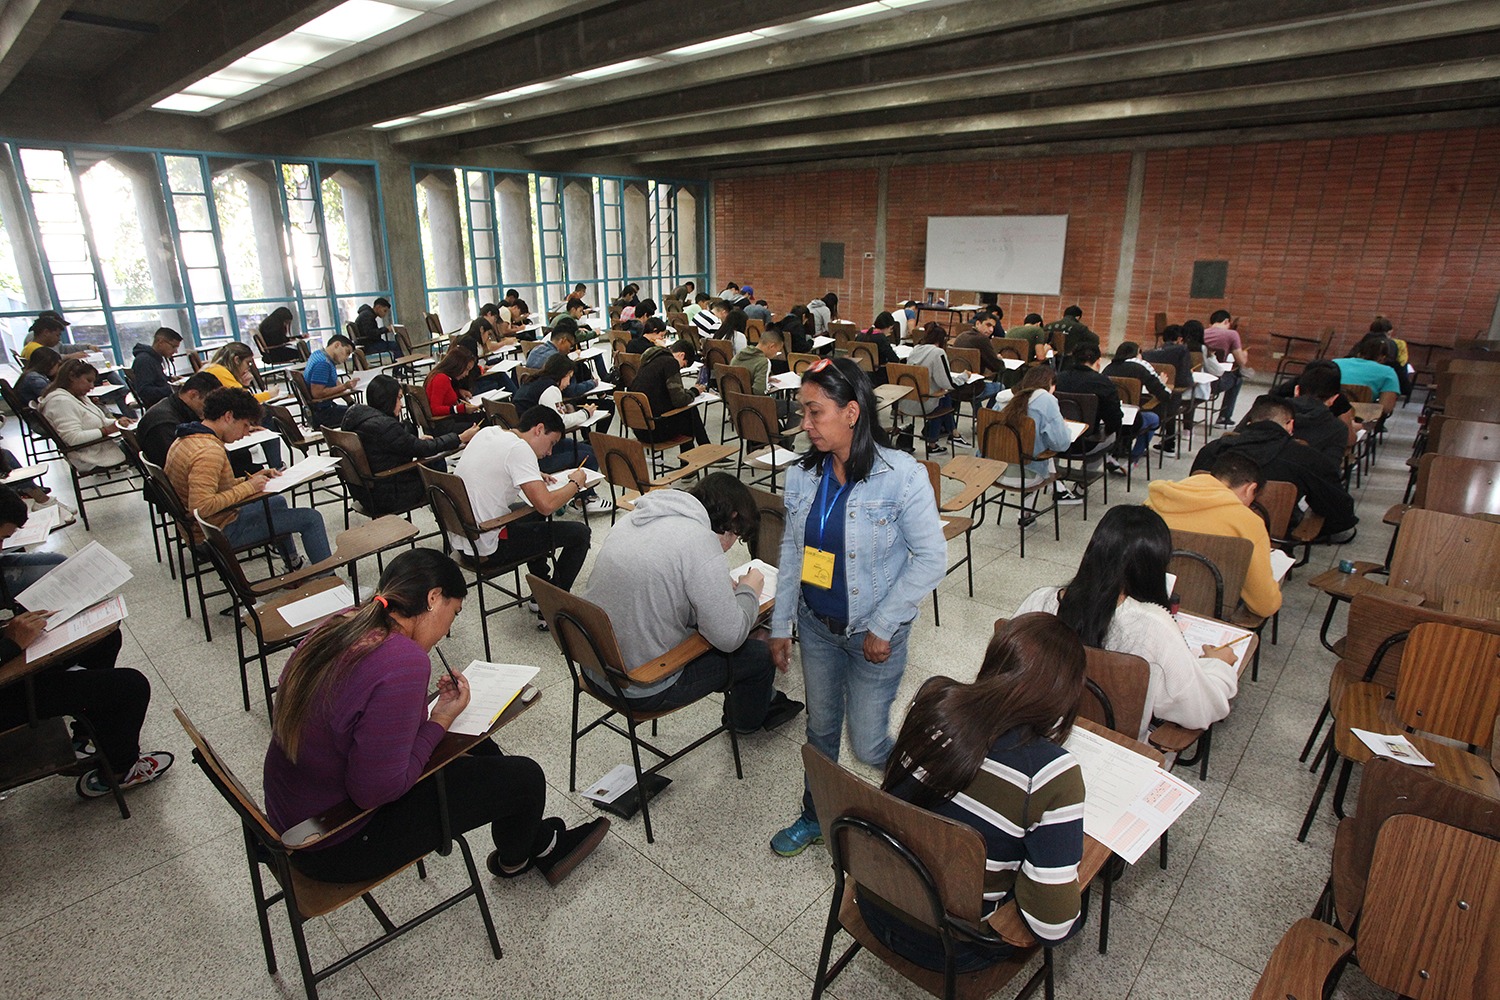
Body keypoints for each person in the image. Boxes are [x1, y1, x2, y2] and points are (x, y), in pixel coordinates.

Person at [263, 548, 608, 885]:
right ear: (433, 598)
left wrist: (435, 714)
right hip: (339, 840)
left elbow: (358, 717)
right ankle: (520, 858)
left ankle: (538, 841)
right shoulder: (403, 659)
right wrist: (439, 721)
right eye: (453, 613)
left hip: (295, 817)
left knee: (482, 748)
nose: (446, 630)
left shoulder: (343, 624)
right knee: (526, 779)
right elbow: (375, 792)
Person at [768, 357, 947, 857]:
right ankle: (815, 815)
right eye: (803, 412)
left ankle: (922, 797)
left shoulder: (901, 476)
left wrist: (885, 625)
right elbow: (793, 553)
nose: (805, 424)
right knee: (820, 729)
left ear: (851, 413)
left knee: (868, 744)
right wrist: (781, 623)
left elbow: (932, 558)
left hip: (873, 632)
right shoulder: (803, 474)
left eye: (815, 412)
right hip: (817, 626)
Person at [859, 614, 1087, 971]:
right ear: (1063, 696)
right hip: (954, 946)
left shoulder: (932, 699)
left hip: (875, 901)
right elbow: (1052, 927)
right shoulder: (1051, 775)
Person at [582, 472, 803, 732]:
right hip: (641, 686)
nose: (729, 547)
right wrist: (748, 590)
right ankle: (744, 723)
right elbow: (729, 638)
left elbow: (659, 584)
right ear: (733, 518)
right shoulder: (700, 541)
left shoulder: (634, 518)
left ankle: (764, 699)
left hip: (594, 667)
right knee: (759, 655)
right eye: (735, 536)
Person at [0, 488, 172, 798]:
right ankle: (119, 771)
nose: (2, 548)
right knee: (131, 686)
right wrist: (13, 643)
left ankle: (86, 735)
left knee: (105, 639)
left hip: (11, 660)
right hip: (8, 688)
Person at [1016, 505, 1240, 739]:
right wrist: (1219, 666)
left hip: (1038, 736)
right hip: (1119, 746)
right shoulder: (1153, 625)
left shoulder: (1040, 600)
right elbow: (1198, 710)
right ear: (1155, 567)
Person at [450, 407, 592, 627]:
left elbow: (496, 468)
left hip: (464, 539)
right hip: (488, 546)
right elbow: (546, 506)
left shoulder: (489, 432)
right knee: (580, 534)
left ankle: (541, 590)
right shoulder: (519, 449)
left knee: (532, 513)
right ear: (539, 429)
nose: (550, 452)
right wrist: (575, 483)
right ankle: (553, 607)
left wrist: (532, 474)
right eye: (551, 443)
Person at [164, 387, 331, 573]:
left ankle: (294, 564)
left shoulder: (187, 438)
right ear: (228, 417)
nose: (246, 433)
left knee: (276, 501)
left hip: (205, 526)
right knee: (311, 518)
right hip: (215, 533)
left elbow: (213, 487)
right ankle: (329, 579)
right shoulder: (208, 452)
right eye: (245, 425)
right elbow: (201, 507)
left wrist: (248, 479)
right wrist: (249, 487)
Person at [1191, 395, 1358, 543]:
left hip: (1207, 533)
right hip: (1277, 537)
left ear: (1249, 423)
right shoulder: (1306, 458)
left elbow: (1192, 493)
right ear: (1290, 425)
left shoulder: (1212, 450)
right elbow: (1339, 508)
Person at [1146, 451, 1284, 618]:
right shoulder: (1247, 522)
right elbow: (1264, 605)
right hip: (1214, 612)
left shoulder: (1155, 501)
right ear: (1250, 489)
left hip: (1149, 600)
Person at [342, 374, 478, 514]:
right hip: (388, 495)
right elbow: (424, 449)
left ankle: (442, 508)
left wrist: (414, 441)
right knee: (435, 462)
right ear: (387, 399)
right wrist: (460, 438)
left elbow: (394, 447)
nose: (401, 405)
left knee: (431, 457)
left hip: (365, 492)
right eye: (399, 398)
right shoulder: (384, 426)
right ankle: (447, 512)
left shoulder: (357, 418)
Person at [509, 354, 612, 514]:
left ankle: (577, 497)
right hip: (537, 453)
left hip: (530, 444)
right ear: (562, 374)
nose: (569, 383)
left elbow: (551, 416)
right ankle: (584, 500)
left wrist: (567, 409)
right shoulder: (551, 390)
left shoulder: (532, 382)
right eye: (569, 377)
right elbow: (560, 422)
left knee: (587, 449)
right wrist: (585, 413)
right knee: (589, 456)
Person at [991, 364, 1084, 510]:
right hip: (1026, 475)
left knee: (1032, 446)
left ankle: (1057, 490)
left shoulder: (1002, 399)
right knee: (1042, 449)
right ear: (1050, 384)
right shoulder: (1046, 400)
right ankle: (1046, 499)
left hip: (993, 470)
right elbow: (1061, 444)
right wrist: (1064, 428)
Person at [201, 342, 285, 469]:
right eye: (247, 363)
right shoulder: (220, 371)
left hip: (217, 416)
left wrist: (243, 383)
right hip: (220, 420)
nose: (248, 367)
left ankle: (276, 463)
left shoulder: (214, 368)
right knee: (265, 414)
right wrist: (270, 394)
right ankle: (277, 465)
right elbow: (246, 400)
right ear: (236, 360)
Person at [38, 359, 131, 472]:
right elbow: (72, 438)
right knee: (145, 446)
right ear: (72, 377)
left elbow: (100, 421)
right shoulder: (60, 402)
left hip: (100, 449)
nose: (92, 387)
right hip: (91, 457)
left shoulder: (78, 396)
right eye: (88, 380)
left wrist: (118, 423)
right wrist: (106, 430)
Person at [628, 336, 711, 447]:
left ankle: (703, 448)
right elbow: (679, 400)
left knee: (687, 412)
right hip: (655, 431)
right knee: (690, 411)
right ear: (682, 355)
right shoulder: (671, 363)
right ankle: (703, 449)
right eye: (683, 365)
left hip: (639, 429)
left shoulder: (650, 359)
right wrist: (694, 391)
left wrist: (686, 393)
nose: (680, 369)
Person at [1101, 341, 1168, 471]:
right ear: (1136, 354)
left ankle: (1114, 454)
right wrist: (1162, 383)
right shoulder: (1140, 367)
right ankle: (1133, 460)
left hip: (1109, 419)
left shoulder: (1108, 368)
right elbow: (1163, 395)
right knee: (1153, 418)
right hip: (1133, 420)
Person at [136, 370, 223, 468]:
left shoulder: (173, 406)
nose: (211, 409)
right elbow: (178, 464)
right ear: (193, 395)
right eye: (209, 404)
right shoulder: (165, 425)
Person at [1278, 360, 1356, 466]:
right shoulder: (1338, 428)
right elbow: (1331, 468)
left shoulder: (1270, 408)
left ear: (1297, 390)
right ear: (1333, 399)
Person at [898, 322, 960, 455]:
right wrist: (964, 378)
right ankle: (936, 442)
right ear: (942, 340)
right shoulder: (938, 352)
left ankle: (953, 434)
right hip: (924, 404)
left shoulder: (915, 349)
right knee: (944, 397)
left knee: (942, 396)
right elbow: (946, 382)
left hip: (905, 401)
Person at [730, 325, 799, 427]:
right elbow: (759, 391)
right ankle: (786, 437)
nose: (776, 354)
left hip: (735, 405)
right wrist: (768, 387)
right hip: (756, 407)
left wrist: (764, 379)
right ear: (771, 346)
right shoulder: (763, 362)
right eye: (777, 350)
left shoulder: (738, 356)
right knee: (797, 407)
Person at [1335, 337, 1401, 417]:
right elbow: (1386, 408)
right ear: (1383, 357)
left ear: (1358, 352)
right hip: (1361, 417)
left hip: (1328, 414)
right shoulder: (1388, 372)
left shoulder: (1335, 363)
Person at [301, 334, 357, 427]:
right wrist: (345, 386)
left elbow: (335, 381)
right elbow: (317, 393)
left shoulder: (319, 354)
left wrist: (351, 402)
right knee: (361, 416)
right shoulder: (323, 363)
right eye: (347, 352)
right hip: (323, 414)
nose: (347, 358)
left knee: (359, 411)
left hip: (320, 409)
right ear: (337, 345)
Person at [424, 345, 482, 433]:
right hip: (444, 425)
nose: (467, 374)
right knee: (484, 419)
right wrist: (461, 408)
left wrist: (458, 392)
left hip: (446, 422)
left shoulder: (440, 376)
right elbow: (435, 409)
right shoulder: (441, 379)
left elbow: (444, 395)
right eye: (466, 369)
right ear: (457, 365)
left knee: (481, 416)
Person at [1202, 310, 1247, 423]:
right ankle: (1224, 418)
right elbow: (1241, 361)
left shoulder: (1201, 333)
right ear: (1227, 321)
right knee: (1238, 378)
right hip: (1216, 382)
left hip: (1198, 381)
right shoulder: (1232, 334)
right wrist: (1244, 355)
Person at [129, 327, 182, 408]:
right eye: (173, 347)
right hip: (160, 407)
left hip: (164, 403)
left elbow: (155, 380)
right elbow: (145, 392)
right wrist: (173, 389)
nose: (176, 351)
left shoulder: (153, 358)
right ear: (160, 342)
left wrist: (170, 379)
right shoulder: (144, 361)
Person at [20, 311, 86, 361]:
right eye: (57, 335)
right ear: (46, 332)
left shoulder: (31, 347)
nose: (59, 339)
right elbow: (51, 360)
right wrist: (69, 356)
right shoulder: (37, 350)